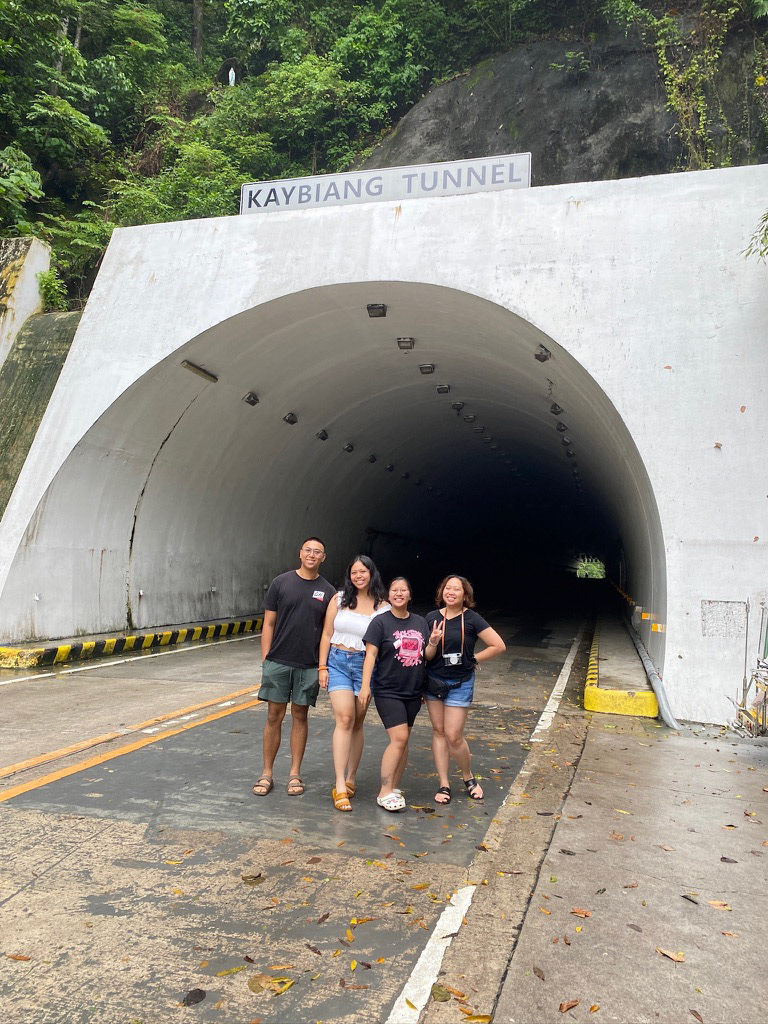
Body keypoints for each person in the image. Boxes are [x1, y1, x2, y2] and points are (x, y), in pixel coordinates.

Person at [252, 538, 336, 797]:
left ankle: (295, 773)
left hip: (308, 665)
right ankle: (267, 773)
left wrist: (322, 666)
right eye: (308, 550)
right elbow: (269, 624)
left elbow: (328, 632)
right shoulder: (281, 583)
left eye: (317, 552)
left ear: (323, 557)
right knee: (273, 716)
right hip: (278, 661)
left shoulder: (328, 591)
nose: (312, 555)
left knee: (300, 716)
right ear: (300, 553)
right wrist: (266, 659)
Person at [360, 577, 442, 812]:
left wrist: (433, 642)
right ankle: (384, 791)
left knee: (404, 741)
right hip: (388, 690)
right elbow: (370, 656)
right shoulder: (380, 622)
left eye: (403, 590)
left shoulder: (420, 622)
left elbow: (426, 656)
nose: (398, 593)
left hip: (413, 691)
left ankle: (394, 787)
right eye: (394, 590)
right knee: (399, 738)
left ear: (409, 595)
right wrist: (365, 686)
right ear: (388, 595)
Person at [425, 575, 506, 804]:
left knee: (454, 735)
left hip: (460, 682)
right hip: (434, 682)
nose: (451, 592)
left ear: (465, 595)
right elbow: (426, 656)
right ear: (441, 592)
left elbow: (498, 645)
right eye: (447, 588)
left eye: (456, 589)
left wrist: (474, 659)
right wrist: (432, 641)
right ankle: (444, 783)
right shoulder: (431, 618)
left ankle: (468, 777)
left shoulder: (472, 618)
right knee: (439, 732)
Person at [318, 555, 389, 812]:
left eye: (363, 572)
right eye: (354, 572)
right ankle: (339, 784)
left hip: (365, 667)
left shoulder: (383, 607)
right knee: (345, 718)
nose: (358, 576)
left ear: (372, 573)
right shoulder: (339, 599)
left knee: (357, 722)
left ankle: (351, 778)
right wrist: (322, 666)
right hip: (337, 662)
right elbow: (327, 633)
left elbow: (382, 644)